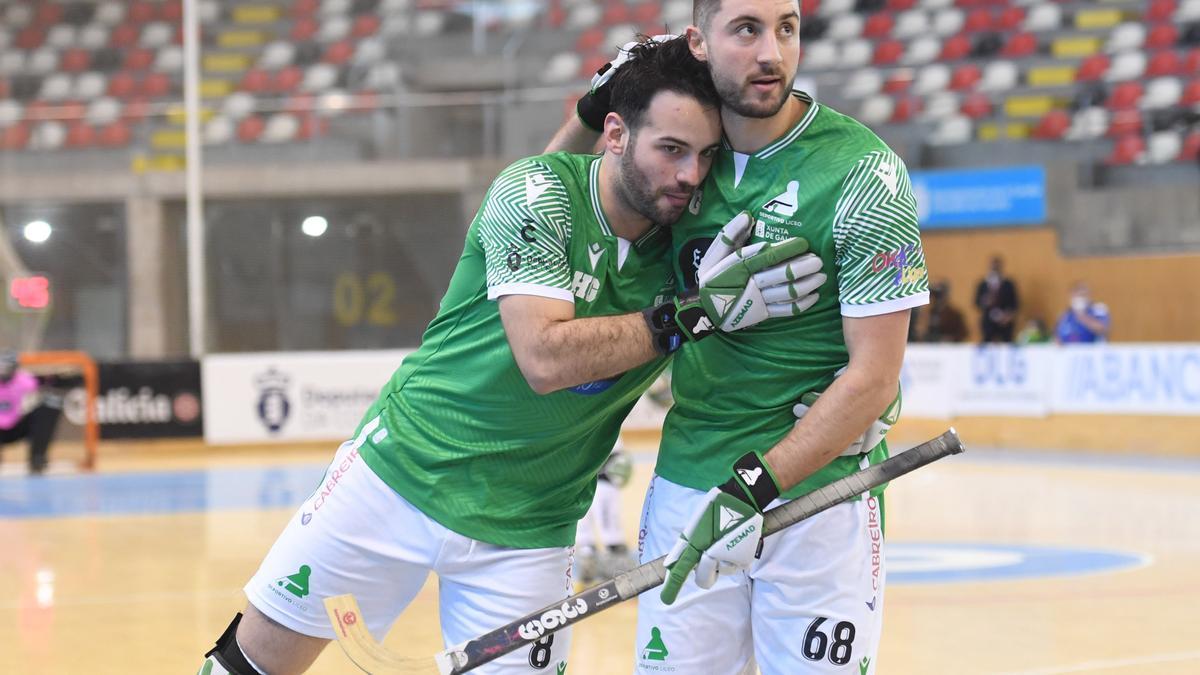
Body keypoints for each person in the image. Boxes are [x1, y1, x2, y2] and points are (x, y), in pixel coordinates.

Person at [199, 38, 828, 675]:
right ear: (614, 133)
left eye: (706, 156)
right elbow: (545, 360)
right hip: (401, 477)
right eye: (670, 149)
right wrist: (691, 313)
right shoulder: (535, 193)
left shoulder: (691, 242)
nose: (690, 177)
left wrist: (865, 401)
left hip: (532, 529)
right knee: (247, 667)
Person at [546, 3, 929, 670]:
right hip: (690, 488)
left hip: (818, 496)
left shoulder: (865, 174)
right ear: (698, 41)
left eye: (787, 28)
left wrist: (755, 485)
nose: (772, 54)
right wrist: (593, 108)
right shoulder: (679, 161)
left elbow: (873, 374)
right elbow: (551, 200)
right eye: (746, 29)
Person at [573, 440, 637, 584]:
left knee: (580, 492)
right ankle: (612, 553)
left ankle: (587, 553)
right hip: (601, 447)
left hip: (576, 446)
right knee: (602, 484)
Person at [0, 350, 62, 475]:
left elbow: (46, 385)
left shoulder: (24, 380)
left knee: (50, 404)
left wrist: (53, 376)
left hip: (16, 426)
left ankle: (37, 458)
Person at [974, 256, 1019, 342]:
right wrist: (985, 302)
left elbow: (1015, 303)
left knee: (1007, 343)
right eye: (993, 266)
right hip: (988, 320)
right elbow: (976, 302)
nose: (995, 268)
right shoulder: (982, 284)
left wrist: (1008, 315)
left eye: (997, 266)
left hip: (1005, 320)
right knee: (987, 342)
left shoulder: (1008, 284)